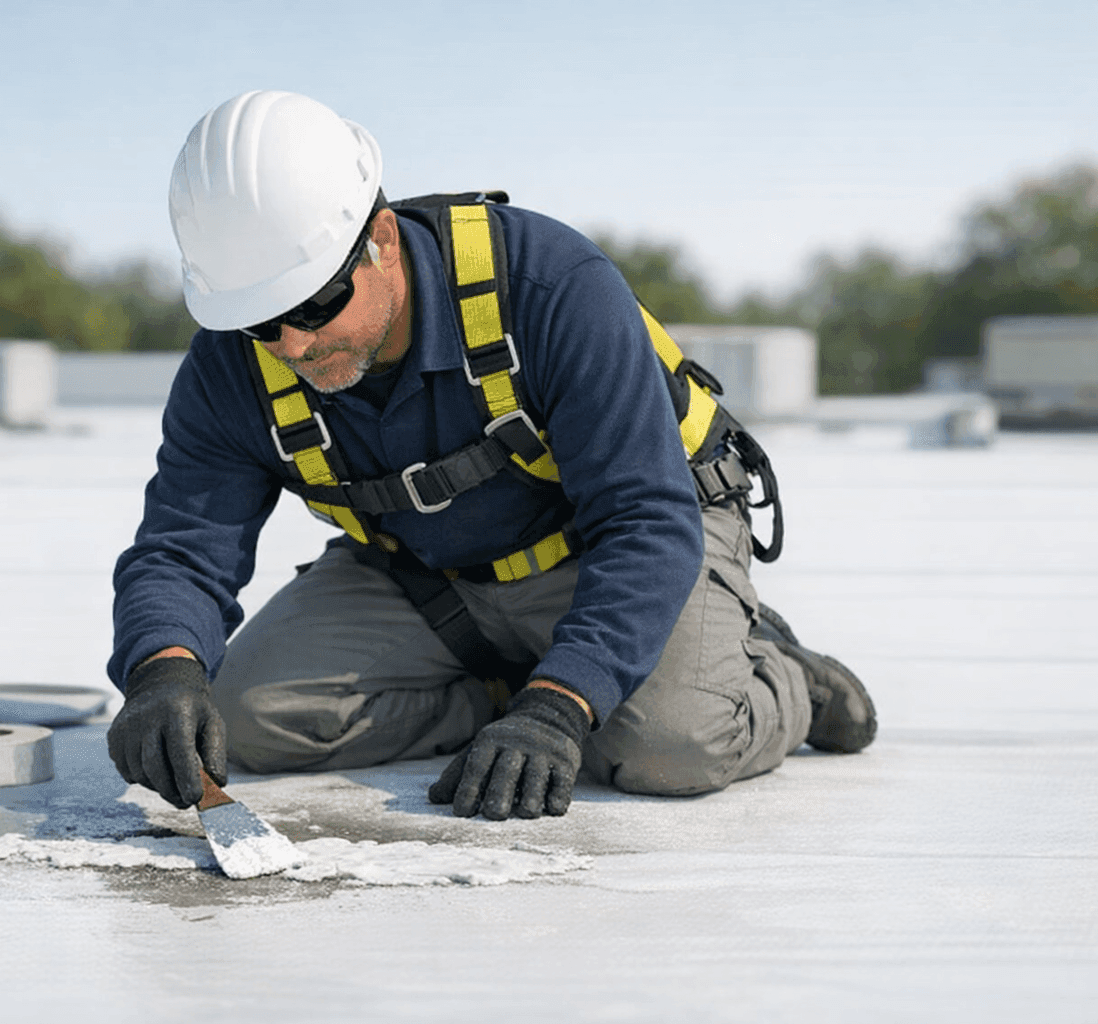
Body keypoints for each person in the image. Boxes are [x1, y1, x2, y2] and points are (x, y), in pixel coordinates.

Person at [106, 90, 875, 821]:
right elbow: (182, 547)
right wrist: (162, 669)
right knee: (243, 720)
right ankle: (515, 681)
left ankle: (775, 677)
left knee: (671, 749)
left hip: (622, 547)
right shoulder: (231, 369)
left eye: (314, 306)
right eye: (262, 324)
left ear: (379, 241)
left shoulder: (549, 287)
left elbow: (645, 517)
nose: (294, 345)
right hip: (438, 579)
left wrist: (560, 709)